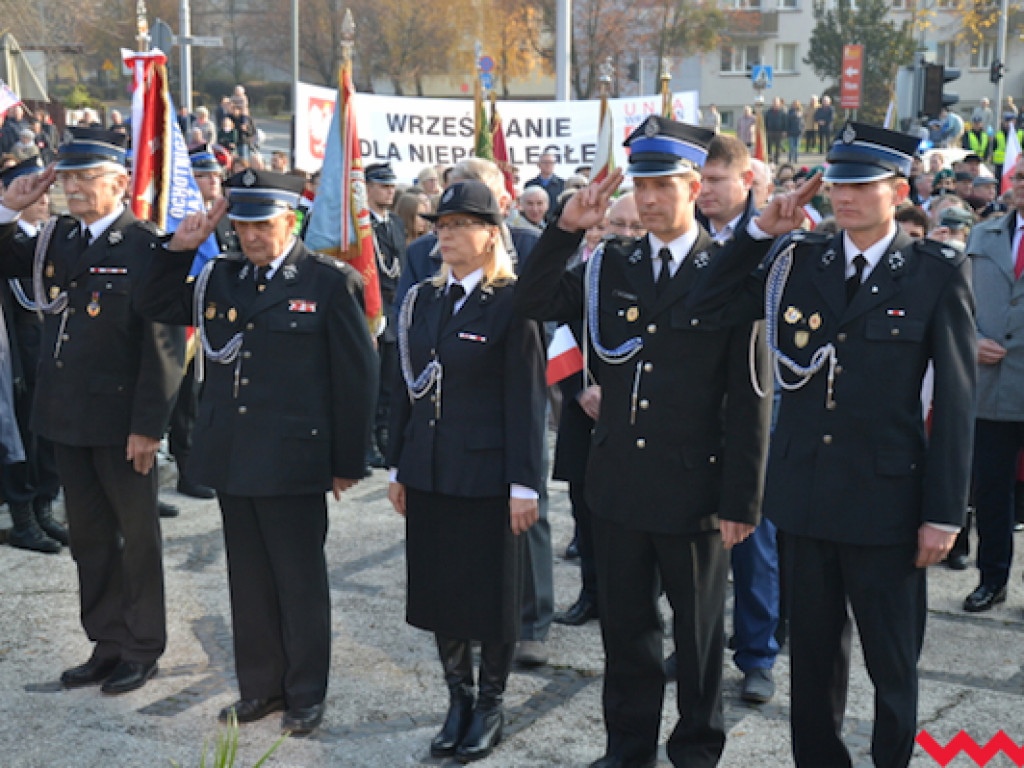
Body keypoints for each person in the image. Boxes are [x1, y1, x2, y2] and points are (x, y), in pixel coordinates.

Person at [514, 116, 813, 768]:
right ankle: (628, 750)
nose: (647, 200)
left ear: (694, 187)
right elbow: (529, 301)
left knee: (699, 637)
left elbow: (751, 396)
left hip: (695, 491)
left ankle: (696, 752)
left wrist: (742, 500)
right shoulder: (609, 264)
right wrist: (566, 228)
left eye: (663, 185)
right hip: (617, 486)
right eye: (640, 185)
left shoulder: (727, 269)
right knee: (627, 635)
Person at [750, 123, 975, 767]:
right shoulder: (801, 262)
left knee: (892, 664)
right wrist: (764, 229)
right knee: (813, 665)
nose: (843, 196)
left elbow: (956, 402)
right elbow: (723, 298)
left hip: (887, 505)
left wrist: (943, 513)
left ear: (898, 190)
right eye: (837, 183)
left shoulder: (933, 272)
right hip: (807, 498)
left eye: (860, 184)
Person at [134, 169, 377, 734]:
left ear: (290, 219)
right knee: (248, 580)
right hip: (234, 454)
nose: (250, 236)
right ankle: (260, 688)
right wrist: (179, 247)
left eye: (261, 224)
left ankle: (304, 694)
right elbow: (153, 300)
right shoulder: (221, 275)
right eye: (242, 225)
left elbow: (357, 378)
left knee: (299, 581)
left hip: (294, 458)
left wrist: (346, 462)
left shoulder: (325, 281)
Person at [0, 128, 187, 694]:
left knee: (136, 537)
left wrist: (148, 427)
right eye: (70, 178)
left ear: (120, 183)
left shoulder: (145, 245)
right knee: (90, 538)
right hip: (66, 416)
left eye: (88, 178)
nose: (75, 188)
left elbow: (163, 346)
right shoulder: (58, 236)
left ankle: (141, 645)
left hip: (121, 423)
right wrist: (7, 204)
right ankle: (105, 642)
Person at [387, 180, 546, 763]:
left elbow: (526, 401)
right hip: (430, 469)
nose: (445, 234)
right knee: (439, 590)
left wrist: (524, 484)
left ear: (489, 235)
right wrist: (399, 465)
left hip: (488, 476)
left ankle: (490, 704)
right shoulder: (423, 300)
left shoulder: (512, 301)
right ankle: (458, 697)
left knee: (492, 597)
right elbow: (407, 388)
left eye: (458, 225)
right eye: (440, 225)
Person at [695, 134, 780, 705]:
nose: (704, 193)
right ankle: (697, 640)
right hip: (693, 419)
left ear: (745, 180)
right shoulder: (687, 240)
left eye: (716, 182)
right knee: (694, 546)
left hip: (753, 416)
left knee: (753, 542)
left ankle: (757, 654)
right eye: (698, 182)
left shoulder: (776, 239)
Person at [961, 157, 1024, 613]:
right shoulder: (983, 235)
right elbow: (957, 303)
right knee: (991, 490)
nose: (1021, 185)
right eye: (1019, 176)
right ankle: (992, 578)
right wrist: (971, 340)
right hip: (990, 386)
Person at [0, 156, 65, 553]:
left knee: (47, 440)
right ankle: (24, 520)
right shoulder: (10, 244)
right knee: (20, 438)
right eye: (29, 188)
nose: (42, 197)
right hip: (18, 360)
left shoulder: (47, 240)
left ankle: (44, 511)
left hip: (48, 357)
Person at [365, 162, 406, 468]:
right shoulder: (360, 224)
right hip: (370, 308)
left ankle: (385, 437)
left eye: (391, 185)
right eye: (382, 186)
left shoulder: (395, 223)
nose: (389, 191)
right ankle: (366, 443)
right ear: (366, 187)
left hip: (393, 309)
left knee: (390, 381)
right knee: (370, 381)